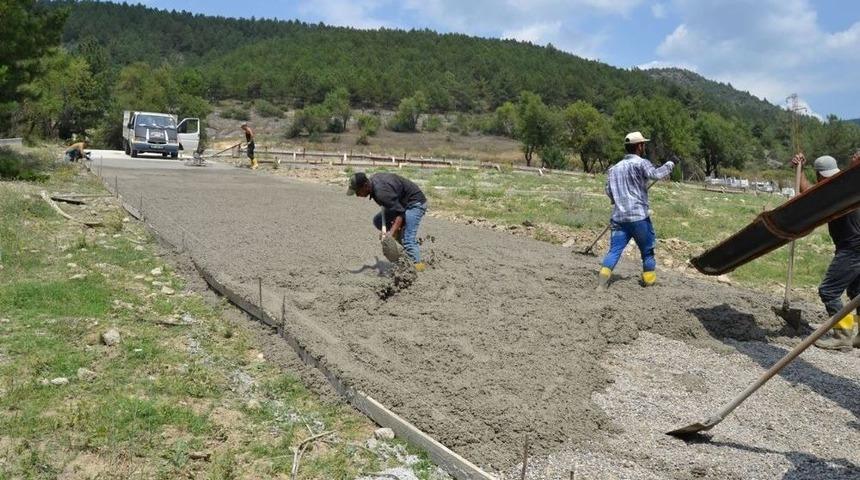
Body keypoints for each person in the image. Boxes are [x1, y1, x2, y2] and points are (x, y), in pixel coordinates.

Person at [791, 153, 860, 350]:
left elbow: (808, 194)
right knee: (857, 293)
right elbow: (810, 192)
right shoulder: (840, 188)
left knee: (829, 291)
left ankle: (843, 335)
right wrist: (800, 170)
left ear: (819, 175)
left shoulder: (837, 190)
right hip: (855, 247)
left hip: (852, 248)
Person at [597, 131, 675, 289]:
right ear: (640, 146)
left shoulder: (614, 169)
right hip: (639, 218)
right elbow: (655, 174)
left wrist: (617, 200)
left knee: (614, 251)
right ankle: (649, 281)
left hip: (619, 218)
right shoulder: (641, 163)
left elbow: (608, 190)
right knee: (647, 252)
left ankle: (602, 283)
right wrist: (670, 163)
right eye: (643, 144)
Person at [347, 171, 428, 271]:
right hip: (401, 203)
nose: (357, 195)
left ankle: (420, 270)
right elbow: (394, 206)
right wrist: (391, 231)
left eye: (357, 191)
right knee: (378, 221)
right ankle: (405, 248)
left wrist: (390, 234)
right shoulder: (374, 182)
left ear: (365, 185)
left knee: (408, 241)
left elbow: (400, 213)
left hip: (414, 204)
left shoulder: (381, 193)